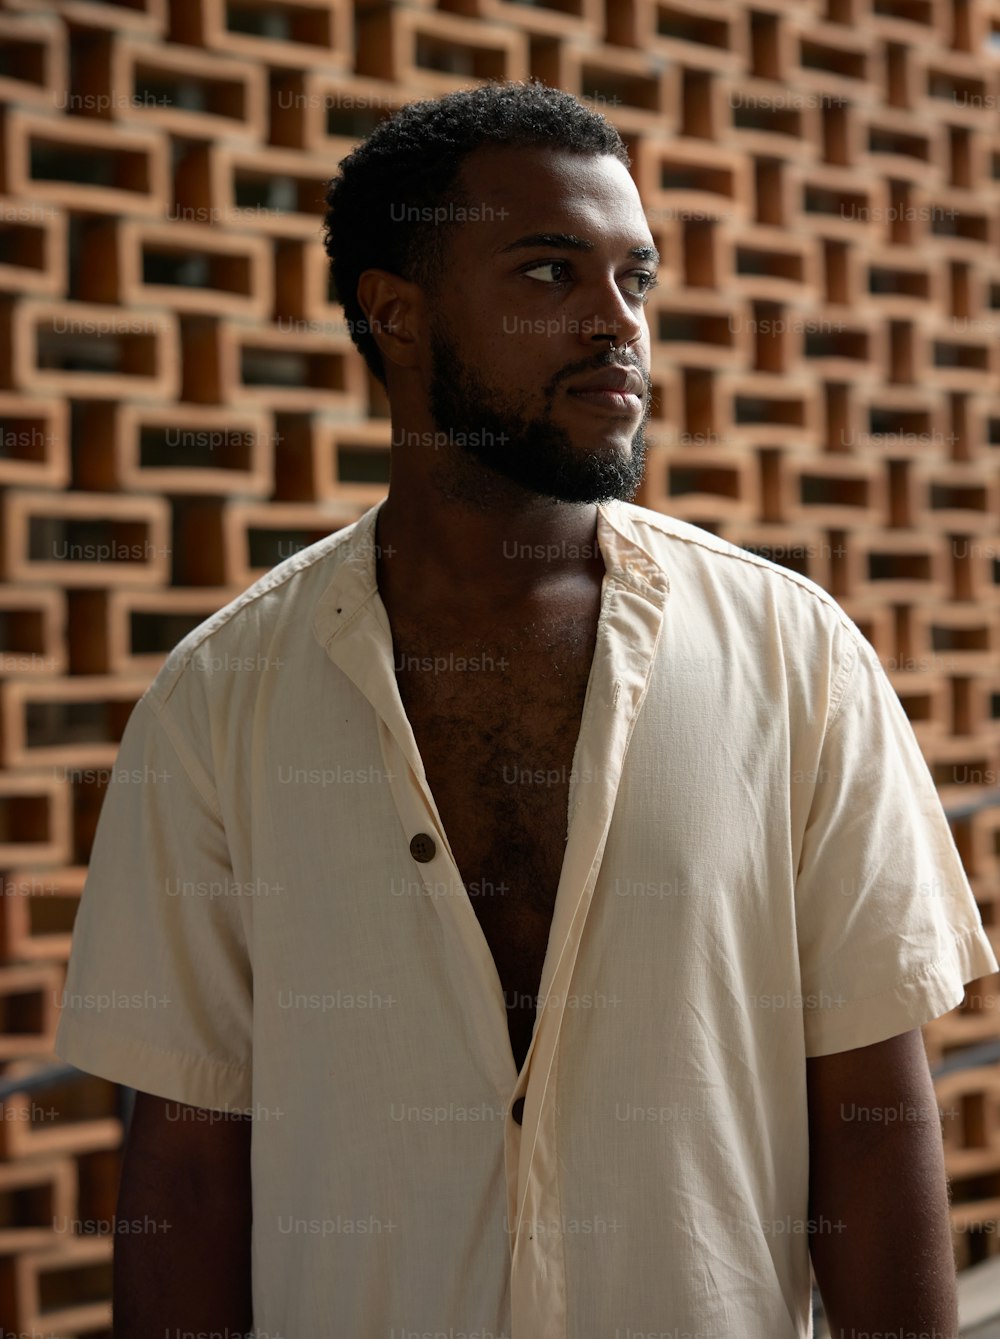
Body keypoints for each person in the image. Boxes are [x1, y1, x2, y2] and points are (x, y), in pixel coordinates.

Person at [55, 79, 998, 1339]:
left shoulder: (795, 659)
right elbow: (184, 1162)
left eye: (635, 279)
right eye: (551, 271)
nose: (618, 325)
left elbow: (874, 1120)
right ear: (394, 314)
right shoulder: (220, 700)